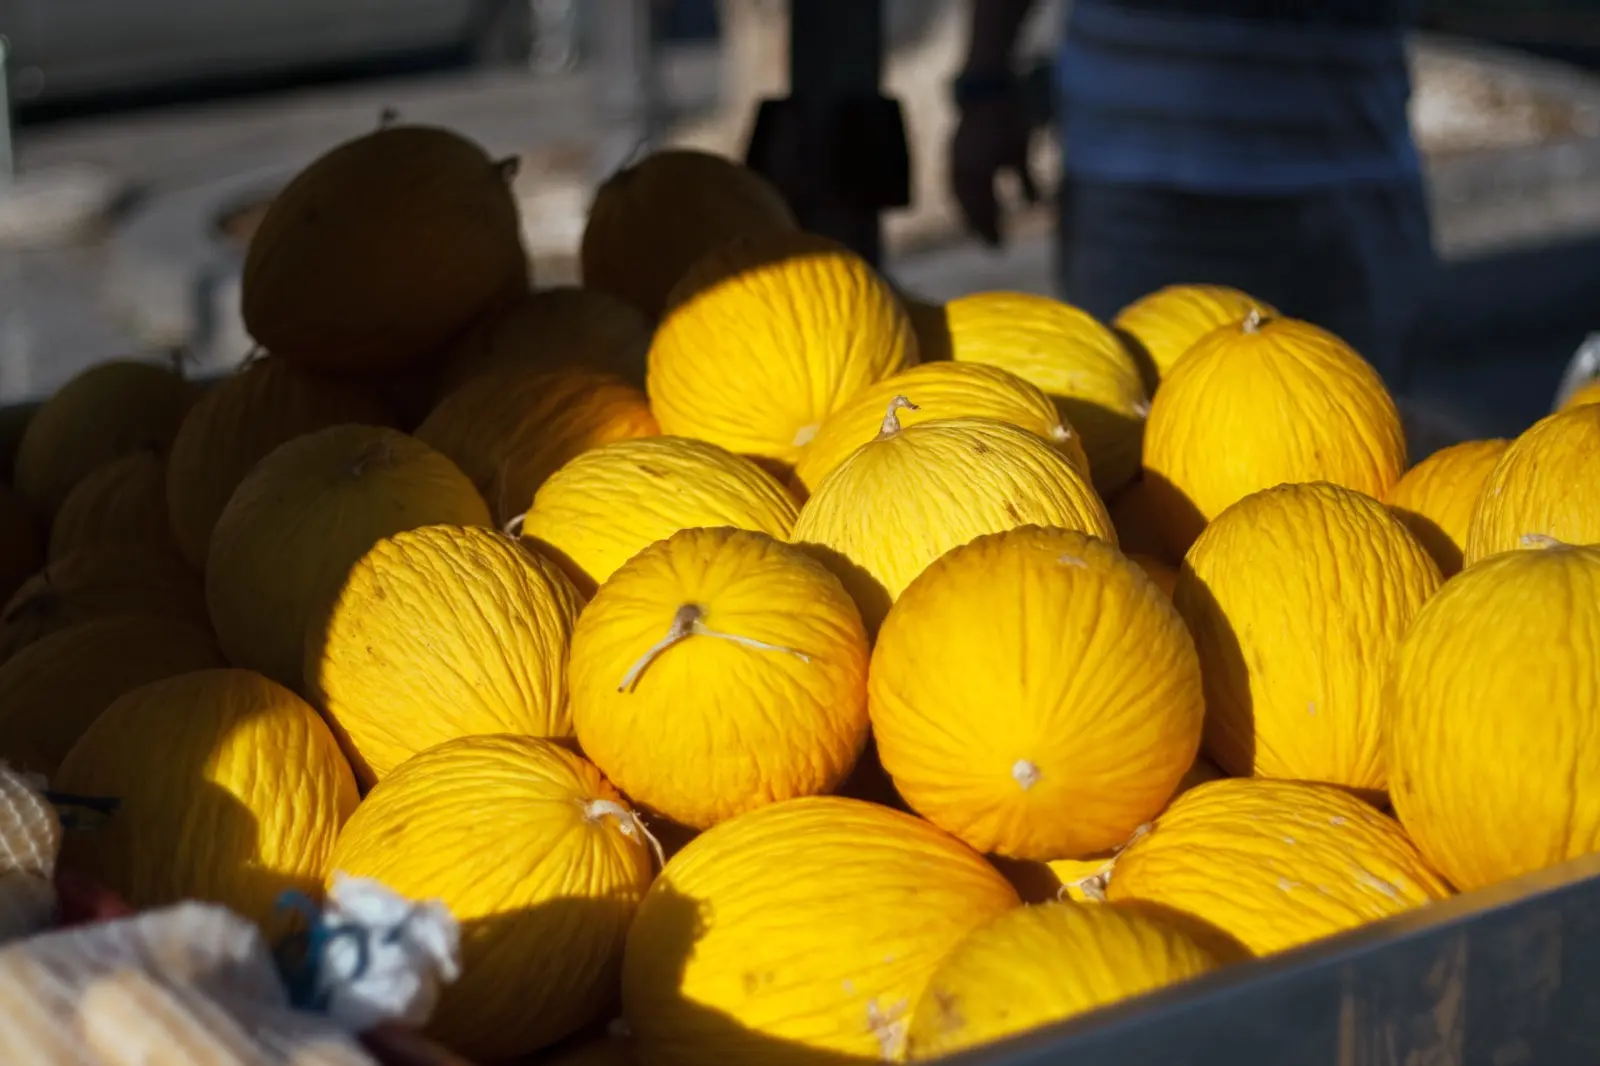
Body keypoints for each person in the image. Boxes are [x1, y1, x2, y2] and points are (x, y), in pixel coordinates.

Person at [950, 0, 1434, 388]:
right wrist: (985, 86)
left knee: (1364, 447)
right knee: (1134, 448)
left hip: (1351, 163)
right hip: (1138, 170)